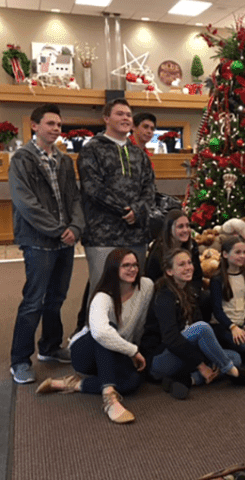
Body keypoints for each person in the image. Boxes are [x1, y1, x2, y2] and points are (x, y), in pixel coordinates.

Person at [8, 103, 84, 384]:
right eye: (50, 123)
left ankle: (50, 348)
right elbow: (25, 202)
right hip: (38, 240)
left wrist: (75, 227)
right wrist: (57, 229)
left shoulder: (63, 160)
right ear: (35, 126)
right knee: (34, 301)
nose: (56, 129)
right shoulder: (22, 159)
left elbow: (74, 198)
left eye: (59, 125)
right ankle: (19, 360)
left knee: (56, 299)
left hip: (65, 241)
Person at [36, 249, 153, 424]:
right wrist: (133, 351)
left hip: (117, 351)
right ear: (114, 268)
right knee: (108, 330)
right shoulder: (103, 296)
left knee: (133, 382)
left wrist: (134, 351)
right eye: (126, 265)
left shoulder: (146, 286)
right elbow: (100, 333)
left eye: (135, 265)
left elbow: (140, 324)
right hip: (86, 353)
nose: (132, 269)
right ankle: (109, 397)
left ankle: (71, 384)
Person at [140, 249, 245, 399]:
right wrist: (201, 365)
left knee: (235, 358)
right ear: (169, 271)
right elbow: (171, 339)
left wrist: (204, 358)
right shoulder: (164, 296)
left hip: (185, 353)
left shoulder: (190, 291)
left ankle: (188, 380)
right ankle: (235, 374)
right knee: (202, 329)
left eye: (189, 263)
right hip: (160, 359)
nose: (188, 267)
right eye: (181, 264)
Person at [76, 98, 155, 329]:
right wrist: (124, 211)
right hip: (103, 234)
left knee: (133, 290)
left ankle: (129, 339)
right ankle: (95, 339)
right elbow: (92, 188)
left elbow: (149, 188)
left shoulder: (139, 154)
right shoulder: (92, 149)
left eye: (128, 115)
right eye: (120, 114)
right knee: (102, 290)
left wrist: (138, 211)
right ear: (106, 118)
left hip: (135, 234)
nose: (125, 118)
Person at [210, 236, 245, 368]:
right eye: (237, 252)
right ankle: (226, 349)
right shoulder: (218, 279)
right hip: (225, 325)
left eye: (244, 252)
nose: (242, 256)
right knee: (243, 345)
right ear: (225, 254)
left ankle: (240, 352)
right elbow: (217, 310)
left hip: (243, 325)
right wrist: (232, 327)